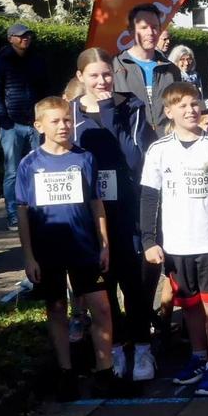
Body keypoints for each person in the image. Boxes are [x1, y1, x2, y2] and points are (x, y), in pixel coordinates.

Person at [140, 83, 208, 396]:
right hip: (176, 244)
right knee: (191, 304)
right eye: (182, 105)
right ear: (168, 112)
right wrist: (148, 240)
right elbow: (148, 197)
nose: (191, 110)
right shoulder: (159, 150)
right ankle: (197, 356)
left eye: (195, 103)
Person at [16, 97, 114, 400]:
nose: (63, 126)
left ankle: (105, 370)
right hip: (48, 250)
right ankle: (66, 372)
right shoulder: (29, 164)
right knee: (56, 309)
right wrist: (29, 256)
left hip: (83, 247)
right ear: (39, 125)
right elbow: (22, 212)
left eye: (67, 120)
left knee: (101, 307)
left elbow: (96, 203)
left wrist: (104, 243)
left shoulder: (84, 157)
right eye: (56, 121)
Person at [70, 47, 159, 381]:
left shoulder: (130, 108)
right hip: (88, 215)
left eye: (106, 73)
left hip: (127, 211)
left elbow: (136, 156)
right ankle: (118, 349)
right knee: (102, 290)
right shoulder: (71, 114)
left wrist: (111, 110)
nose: (102, 80)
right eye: (93, 75)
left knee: (133, 284)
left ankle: (144, 348)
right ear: (80, 78)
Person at [0, 22, 46, 230]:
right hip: (11, 125)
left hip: (35, 123)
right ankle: (13, 214)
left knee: (38, 168)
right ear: (10, 38)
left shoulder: (37, 60)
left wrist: (42, 116)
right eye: (21, 36)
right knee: (12, 171)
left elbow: (43, 88)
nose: (26, 39)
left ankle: (37, 210)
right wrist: (3, 119)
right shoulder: (0, 62)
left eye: (28, 35)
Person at [112, 4, 182, 132]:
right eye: (144, 27)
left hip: (166, 142)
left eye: (155, 27)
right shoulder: (115, 67)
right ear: (131, 31)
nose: (150, 32)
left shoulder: (171, 70)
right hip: (131, 144)